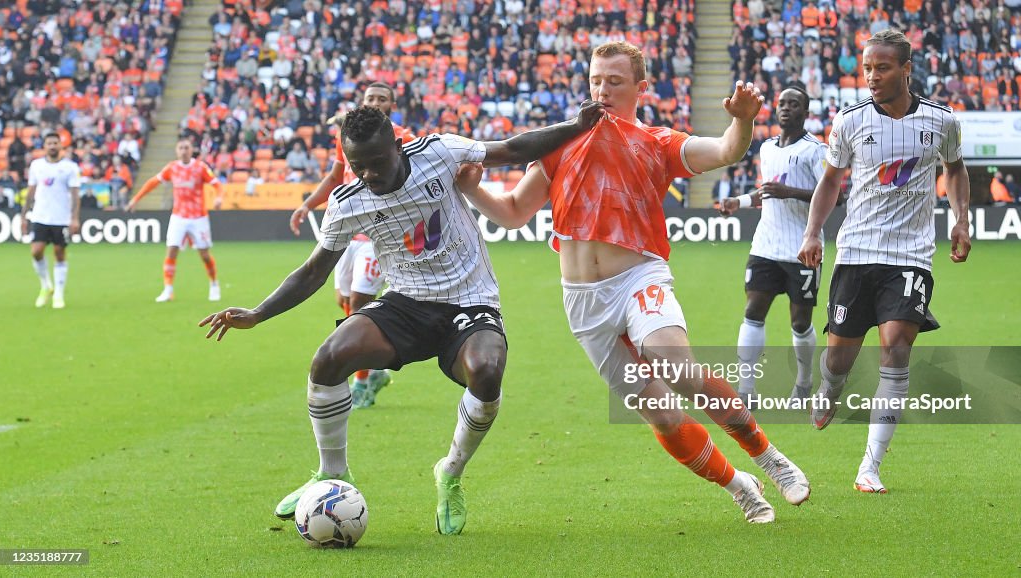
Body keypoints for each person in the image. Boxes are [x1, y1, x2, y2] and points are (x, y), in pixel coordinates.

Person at [200, 102, 605, 533]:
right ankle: (332, 473)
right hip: (406, 303)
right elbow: (314, 271)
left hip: (470, 300)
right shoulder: (347, 202)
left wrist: (576, 126)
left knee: (486, 373)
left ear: (398, 145)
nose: (369, 175)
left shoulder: (439, 152)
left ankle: (450, 472)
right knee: (328, 358)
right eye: (358, 166)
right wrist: (259, 313)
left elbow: (509, 148)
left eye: (377, 162)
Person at [457, 41, 810, 524]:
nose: (602, 89)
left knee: (677, 366)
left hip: (638, 279)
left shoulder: (659, 142)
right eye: (596, 79)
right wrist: (473, 187)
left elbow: (727, 149)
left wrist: (743, 119)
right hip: (583, 303)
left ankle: (768, 457)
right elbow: (515, 212)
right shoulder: (559, 143)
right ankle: (739, 486)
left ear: (641, 88)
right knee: (660, 414)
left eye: (615, 81)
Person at [798, 29, 971, 494]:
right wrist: (813, 231)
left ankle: (869, 467)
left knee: (895, 348)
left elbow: (954, 168)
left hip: (911, 255)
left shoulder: (941, 121)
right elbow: (831, 180)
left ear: (906, 69)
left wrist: (960, 220)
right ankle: (829, 389)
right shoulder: (850, 120)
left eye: (882, 68)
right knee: (839, 356)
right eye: (867, 68)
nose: (872, 76)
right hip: (856, 251)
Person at [290, 83, 417, 408]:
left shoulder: (405, 137)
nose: (375, 102)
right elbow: (335, 176)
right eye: (370, 98)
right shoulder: (346, 135)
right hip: (346, 231)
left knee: (361, 301)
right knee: (344, 301)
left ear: (392, 104)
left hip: (379, 232)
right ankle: (373, 372)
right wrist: (308, 205)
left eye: (382, 99)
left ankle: (359, 383)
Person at [719, 86, 828, 408]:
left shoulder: (816, 151)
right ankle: (746, 389)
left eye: (794, 105)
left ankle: (804, 382)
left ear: (805, 113)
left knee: (800, 322)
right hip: (765, 245)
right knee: (752, 312)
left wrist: (790, 192)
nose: (786, 109)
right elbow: (766, 191)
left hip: (802, 249)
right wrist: (738, 201)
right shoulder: (766, 148)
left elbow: (833, 195)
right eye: (782, 104)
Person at [126, 139, 223, 303]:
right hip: (178, 216)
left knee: (205, 255)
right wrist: (136, 199)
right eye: (181, 148)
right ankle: (168, 290)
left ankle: (214, 284)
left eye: (186, 147)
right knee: (171, 251)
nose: (184, 151)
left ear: (192, 150)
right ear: (177, 151)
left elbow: (217, 184)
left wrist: (219, 198)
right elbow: (152, 183)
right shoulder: (172, 168)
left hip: (198, 216)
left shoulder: (200, 167)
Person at [20, 132, 81, 309]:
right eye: (49, 143)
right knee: (36, 252)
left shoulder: (70, 167)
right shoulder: (37, 166)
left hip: (61, 218)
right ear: (44, 146)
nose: (52, 146)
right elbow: (31, 191)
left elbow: (76, 195)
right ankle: (46, 285)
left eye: (55, 143)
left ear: (61, 146)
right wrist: (24, 215)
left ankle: (59, 295)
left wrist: (75, 218)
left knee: (59, 253)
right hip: (40, 216)